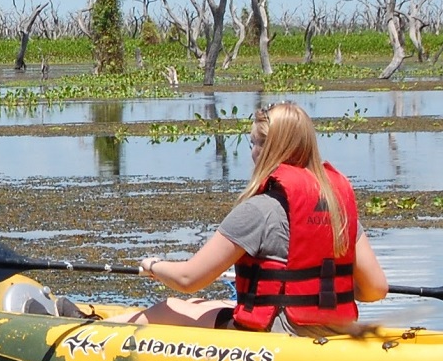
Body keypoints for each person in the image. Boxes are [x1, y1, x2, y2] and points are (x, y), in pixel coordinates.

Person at [115, 102, 387, 334]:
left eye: (255, 143)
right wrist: (322, 292)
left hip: (281, 334)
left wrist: (154, 266)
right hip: (336, 330)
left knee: (167, 307)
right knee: (204, 304)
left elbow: (188, 279)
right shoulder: (338, 208)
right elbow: (376, 288)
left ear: (269, 149)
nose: (253, 152)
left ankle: (94, 334)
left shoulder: (258, 210)